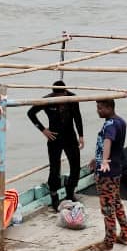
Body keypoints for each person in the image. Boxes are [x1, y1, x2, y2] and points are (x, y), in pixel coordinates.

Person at [27, 80, 84, 210]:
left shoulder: (73, 98)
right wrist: (43, 130)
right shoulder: (47, 100)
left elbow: (77, 117)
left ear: (65, 92)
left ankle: (70, 193)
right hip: (54, 137)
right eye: (56, 96)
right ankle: (54, 196)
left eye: (61, 97)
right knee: (54, 168)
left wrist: (81, 135)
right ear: (53, 93)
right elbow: (31, 113)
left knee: (76, 165)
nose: (58, 99)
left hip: (70, 136)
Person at [89, 99, 127, 251]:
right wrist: (98, 159)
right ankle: (125, 235)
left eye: (100, 108)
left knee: (107, 207)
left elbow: (108, 141)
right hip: (116, 169)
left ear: (108, 107)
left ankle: (108, 243)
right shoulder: (121, 121)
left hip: (107, 173)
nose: (98, 111)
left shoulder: (110, 125)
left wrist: (104, 161)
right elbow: (112, 146)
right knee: (116, 202)